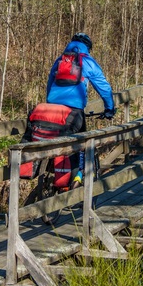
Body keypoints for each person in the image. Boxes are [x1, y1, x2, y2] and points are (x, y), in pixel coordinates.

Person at [46, 32, 116, 188]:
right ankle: (76, 177)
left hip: (52, 109)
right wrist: (109, 109)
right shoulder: (88, 61)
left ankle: (55, 173)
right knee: (81, 144)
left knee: (55, 142)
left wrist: (49, 104)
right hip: (74, 111)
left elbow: (50, 84)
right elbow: (104, 88)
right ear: (88, 47)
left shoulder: (60, 60)